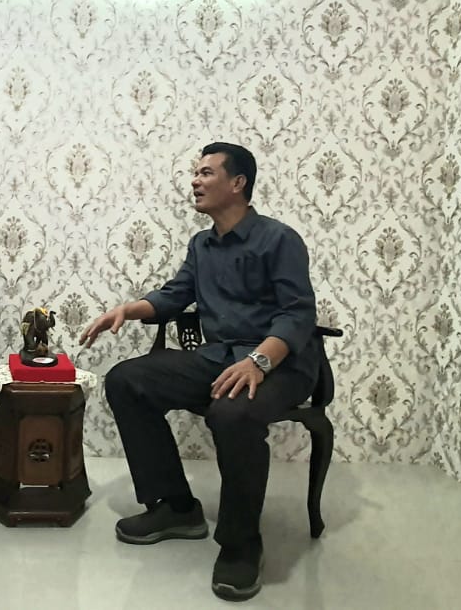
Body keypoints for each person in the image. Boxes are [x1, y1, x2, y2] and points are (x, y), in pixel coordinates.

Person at [82, 142, 320, 603]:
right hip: (219, 357)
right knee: (127, 380)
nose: (195, 180)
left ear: (238, 183)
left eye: (207, 172)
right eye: (195, 172)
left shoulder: (279, 239)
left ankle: (241, 544)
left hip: (280, 364)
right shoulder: (202, 244)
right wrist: (128, 309)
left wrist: (258, 361)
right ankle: (176, 507)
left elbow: (298, 314)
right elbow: (175, 295)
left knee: (231, 413)